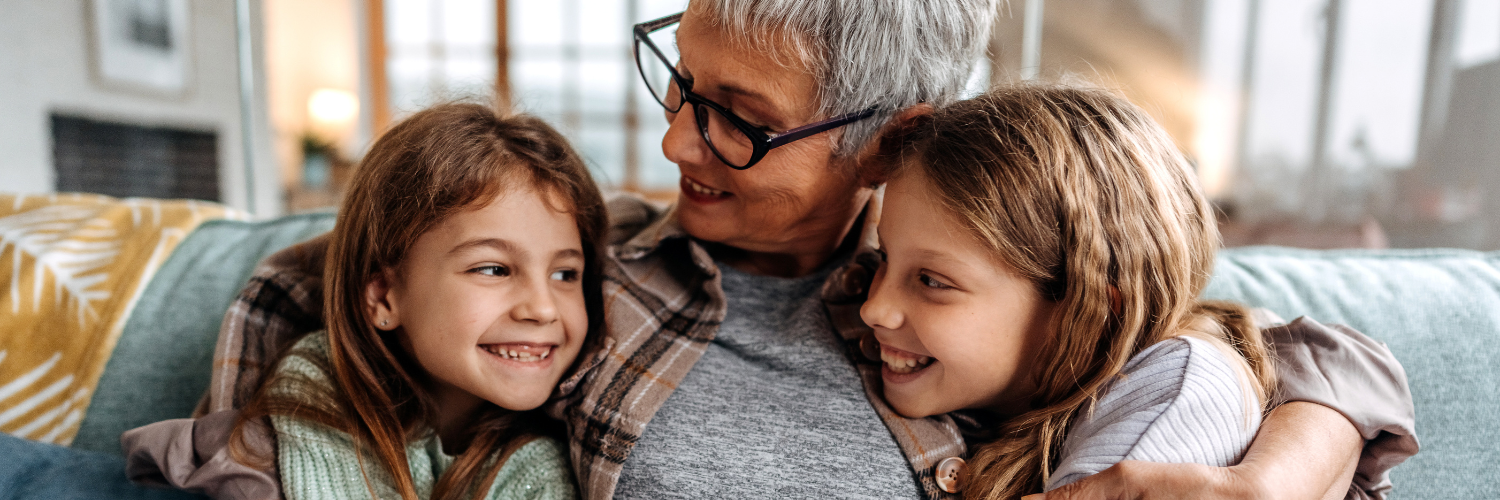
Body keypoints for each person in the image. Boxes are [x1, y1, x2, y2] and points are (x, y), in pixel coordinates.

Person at [210, 1, 1416, 498]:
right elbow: (311, 279)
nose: (677, 134)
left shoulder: (975, 309)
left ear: (888, 142)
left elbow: (1303, 347)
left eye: (740, 116)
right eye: (682, 78)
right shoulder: (593, 267)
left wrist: (1273, 475)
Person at [863, 84, 1278, 499]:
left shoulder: (1175, 392)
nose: (873, 308)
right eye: (883, 257)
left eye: (933, 282)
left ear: (1093, 312)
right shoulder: (1001, 396)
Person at [231, 104, 607, 499]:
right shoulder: (317, 388)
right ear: (384, 296)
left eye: (565, 274)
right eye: (493, 269)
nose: (543, 309)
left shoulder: (553, 453)